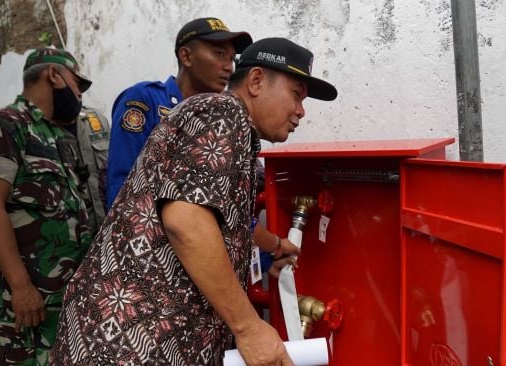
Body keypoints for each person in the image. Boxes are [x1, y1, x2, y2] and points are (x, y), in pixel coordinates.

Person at [50, 37, 337, 366]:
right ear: (256, 81)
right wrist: (249, 328)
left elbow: (217, 216)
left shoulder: (223, 123)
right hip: (134, 340)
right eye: (296, 95)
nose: (301, 110)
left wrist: (274, 244)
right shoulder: (223, 114)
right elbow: (186, 221)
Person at [0, 48, 93, 365]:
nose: (79, 95)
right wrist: (21, 287)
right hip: (27, 295)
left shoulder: (58, 135)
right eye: (78, 84)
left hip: (64, 294)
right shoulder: (4, 126)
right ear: (54, 75)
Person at [106, 17, 252, 208]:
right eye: (219, 54)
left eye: (232, 58)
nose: (229, 67)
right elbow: (123, 181)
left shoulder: (221, 117)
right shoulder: (146, 99)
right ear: (186, 56)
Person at [59, 106, 110, 236]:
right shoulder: (37, 128)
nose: (78, 92)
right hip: (69, 237)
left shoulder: (96, 118)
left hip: (107, 229)